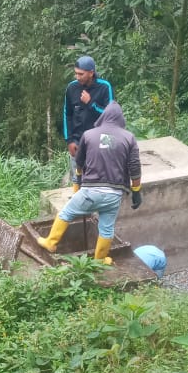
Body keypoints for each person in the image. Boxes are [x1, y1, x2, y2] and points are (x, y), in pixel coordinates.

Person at [38, 101, 142, 263]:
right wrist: (136, 191)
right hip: (114, 195)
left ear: (104, 116)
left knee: (67, 213)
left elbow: (79, 162)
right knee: (106, 228)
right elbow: (134, 167)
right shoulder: (129, 137)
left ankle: (51, 242)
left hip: (90, 192)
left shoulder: (89, 134)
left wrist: (78, 180)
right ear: (120, 119)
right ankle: (100, 260)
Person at [63, 56, 113, 192]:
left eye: (81, 74)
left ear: (91, 73)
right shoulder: (71, 87)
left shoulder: (105, 86)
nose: (77, 77)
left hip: (103, 137)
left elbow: (110, 115)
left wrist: (91, 103)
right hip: (79, 139)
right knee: (77, 176)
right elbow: (67, 114)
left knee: (103, 175)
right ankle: (77, 198)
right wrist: (69, 140)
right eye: (76, 73)